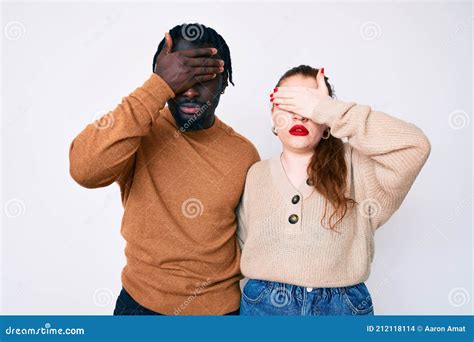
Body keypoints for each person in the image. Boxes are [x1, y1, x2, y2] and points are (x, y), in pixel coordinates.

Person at [69, 23, 260, 315]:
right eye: (181, 76)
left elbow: (254, 240)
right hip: (140, 307)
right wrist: (157, 86)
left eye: (204, 76)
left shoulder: (244, 153)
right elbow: (85, 170)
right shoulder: (136, 132)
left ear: (224, 82)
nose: (191, 91)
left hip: (222, 312)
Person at [237, 65, 431, 315]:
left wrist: (326, 109)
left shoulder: (358, 168)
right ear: (273, 116)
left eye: (307, 105)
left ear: (327, 122)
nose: (300, 116)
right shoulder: (256, 174)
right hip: (264, 307)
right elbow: (242, 245)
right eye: (290, 105)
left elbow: (415, 146)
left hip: (341, 309)